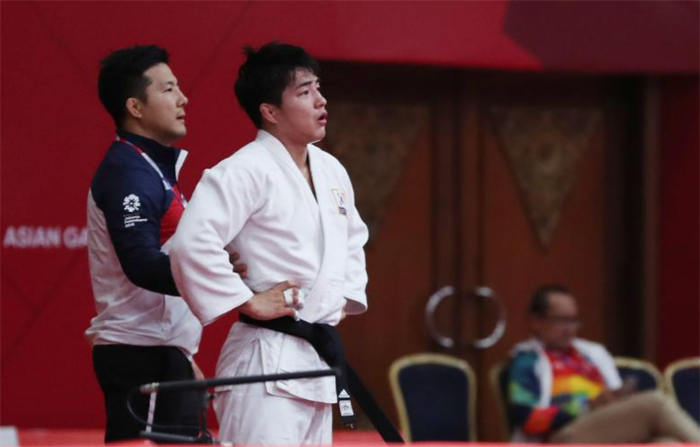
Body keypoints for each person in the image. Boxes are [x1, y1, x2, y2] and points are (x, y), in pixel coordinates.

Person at [169, 42, 369, 445]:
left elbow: (352, 239)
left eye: (318, 88)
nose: (320, 100)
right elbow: (190, 243)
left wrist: (338, 300)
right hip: (264, 360)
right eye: (304, 92)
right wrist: (247, 300)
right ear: (270, 111)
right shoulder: (244, 169)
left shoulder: (331, 169)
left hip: (315, 359)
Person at [86, 45, 211, 442]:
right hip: (143, 356)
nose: (183, 98)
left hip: (161, 353)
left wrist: (182, 354)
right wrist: (222, 280)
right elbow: (141, 264)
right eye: (168, 89)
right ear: (135, 107)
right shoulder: (129, 174)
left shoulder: (148, 167)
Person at [507, 284, 700, 443]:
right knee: (655, 403)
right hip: (562, 436)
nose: (570, 329)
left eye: (573, 320)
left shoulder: (589, 355)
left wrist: (615, 399)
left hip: (604, 427)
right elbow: (525, 417)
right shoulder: (527, 361)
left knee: (667, 443)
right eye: (561, 320)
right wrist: (586, 406)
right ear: (536, 321)